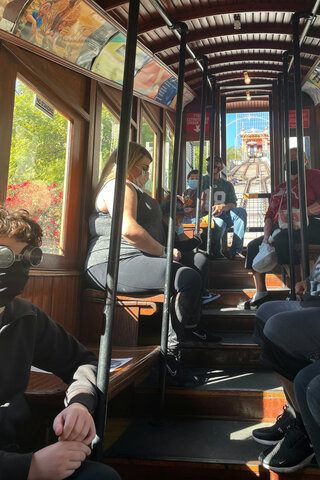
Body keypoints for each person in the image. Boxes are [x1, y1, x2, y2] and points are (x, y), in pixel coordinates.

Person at [0, 207, 120, 480]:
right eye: (4, 257)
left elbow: (82, 361)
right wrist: (29, 468)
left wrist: (79, 403)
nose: (15, 269)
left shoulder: (25, 317)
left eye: (25, 259)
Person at [85, 142, 209, 386]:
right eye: (143, 168)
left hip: (133, 259)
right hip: (112, 262)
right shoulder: (118, 186)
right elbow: (129, 230)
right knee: (187, 279)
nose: (146, 174)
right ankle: (170, 361)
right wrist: (163, 252)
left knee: (194, 266)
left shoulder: (133, 189)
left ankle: (184, 334)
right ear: (127, 165)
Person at [251, 255, 320, 473]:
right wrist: (310, 282)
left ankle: (304, 429)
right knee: (264, 313)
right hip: (312, 299)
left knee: (278, 329)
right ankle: (295, 412)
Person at [241, 148, 320, 310]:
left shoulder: (313, 176)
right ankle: (261, 293)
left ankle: (296, 290)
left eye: (296, 159)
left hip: (308, 223)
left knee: (283, 239)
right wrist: (265, 238)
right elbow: (270, 215)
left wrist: (302, 213)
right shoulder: (280, 188)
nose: (292, 162)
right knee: (253, 246)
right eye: (289, 160)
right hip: (280, 228)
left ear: (304, 161)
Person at [160, 200, 221, 308]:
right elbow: (179, 246)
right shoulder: (162, 229)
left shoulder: (173, 229)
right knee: (199, 258)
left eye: (180, 219)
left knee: (200, 258)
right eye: (177, 219)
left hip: (175, 254)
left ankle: (202, 292)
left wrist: (195, 241)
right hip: (167, 256)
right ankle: (200, 294)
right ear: (165, 217)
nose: (179, 223)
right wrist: (195, 241)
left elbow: (181, 244)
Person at [202, 156, 247, 260]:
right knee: (218, 223)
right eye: (209, 164)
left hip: (224, 214)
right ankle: (216, 253)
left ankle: (236, 251)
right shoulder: (201, 180)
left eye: (216, 165)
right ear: (206, 166)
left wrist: (222, 207)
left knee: (240, 212)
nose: (212, 167)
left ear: (221, 168)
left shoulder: (227, 185)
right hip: (205, 215)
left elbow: (232, 204)